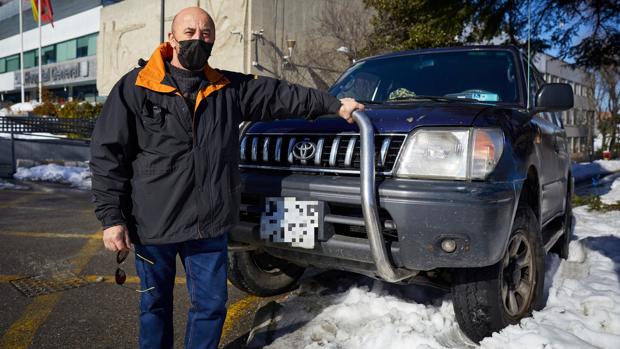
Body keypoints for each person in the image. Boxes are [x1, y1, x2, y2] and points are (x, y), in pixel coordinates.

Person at [89, 6, 364, 349]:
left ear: (213, 40)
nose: (197, 40)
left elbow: (281, 96)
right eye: (189, 33)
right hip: (152, 223)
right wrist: (112, 218)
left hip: (209, 223)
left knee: (211, 306)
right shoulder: (136, 87)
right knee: (154, 306)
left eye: (205, 34)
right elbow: (107, 155)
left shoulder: (227, 88)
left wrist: (333, 105)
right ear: (171, 38)